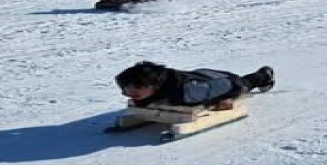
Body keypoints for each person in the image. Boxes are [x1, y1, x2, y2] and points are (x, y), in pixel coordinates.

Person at [115, 61, 275, 111]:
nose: (129, 94)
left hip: (219, 80)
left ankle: (264, 76)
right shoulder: (153, 85)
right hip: (196, 76)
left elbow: (232, 85)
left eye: (135, 90)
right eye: (125, 92)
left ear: (153, 85)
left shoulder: (190, 93)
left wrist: (229, 98)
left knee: (242, 83)